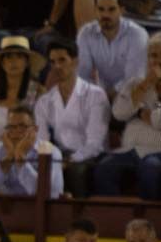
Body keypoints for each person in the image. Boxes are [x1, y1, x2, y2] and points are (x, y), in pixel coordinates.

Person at [95, 31, 161, 200]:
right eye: (153, 55)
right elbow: (118, 113)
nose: (158, 61)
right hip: (131, 150)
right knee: (104, 167)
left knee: (150, 166)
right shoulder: (135, 84)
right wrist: (147, 84)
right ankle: (116, 217)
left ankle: (152, 217)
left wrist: (139, 112)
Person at [34, 38, 110, 199]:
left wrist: (70, 160)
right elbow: (42, 141)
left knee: (76, 170)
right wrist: (53, 160)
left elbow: (95, 143)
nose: (57, 66)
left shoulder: (95, 95)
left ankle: (79, 213)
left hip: (91, 156)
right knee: (39, 167)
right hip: (60, 154)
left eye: (62, 60)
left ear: (75, 61)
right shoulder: (44, 101)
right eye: (53, 62)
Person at [76, 0, 149, 99]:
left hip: (133, 94)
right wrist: (94, 97)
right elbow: (83, 75)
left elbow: (134, 79)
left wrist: (105, 97)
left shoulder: (137, 35)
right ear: (95, 9)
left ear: (121, 10)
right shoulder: (86, 33)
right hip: (100, 94)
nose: (105, 15)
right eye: (101, 9)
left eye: (111, 9)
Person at [0, 105, 64, 197]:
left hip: (38, 208)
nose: (16, 132)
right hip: (7, 208)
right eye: (11, 127)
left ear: (35, 129)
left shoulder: (51, 151)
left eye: (22, 126)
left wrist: (20, 157)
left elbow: (45, 192)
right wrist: (9, 157)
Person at [0, 35, 46, 141]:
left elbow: (42, 131)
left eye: (19, 56)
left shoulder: (38, 92)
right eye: (9, 57)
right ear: (2, 63)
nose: (13, 61)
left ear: (27, 62)